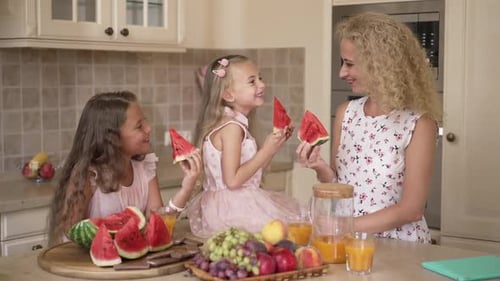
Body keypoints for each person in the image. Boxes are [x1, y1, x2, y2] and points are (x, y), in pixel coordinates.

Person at [296, 12, 442, 243]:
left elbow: (412, 209)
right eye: (342, 62)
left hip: (399, 246)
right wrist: (320, 167)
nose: (341, 72)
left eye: (349, 64)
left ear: (380, 65)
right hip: (348, 241)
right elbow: (339, 186)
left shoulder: (419, 124)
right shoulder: (346, 113)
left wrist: (342, 225)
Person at [47, 91, 203, 246]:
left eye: (146, 122)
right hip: (92, 266)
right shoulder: (89, 175)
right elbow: (68, 237)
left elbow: (158, 225)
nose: (149, 128)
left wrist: (186, 187)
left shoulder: (145, 168)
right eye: (139, 126)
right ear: (112, 138)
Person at [187, 55, 301, 238]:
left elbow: (253, 171)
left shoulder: (230, 123)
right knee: (295, 225)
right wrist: (266, 150)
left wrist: (273, 147)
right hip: (231, 210)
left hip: (222, 207)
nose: (261, 85)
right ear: (228, 94)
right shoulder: (232, 128)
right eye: (252, 81)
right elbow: (233, 181)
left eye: (260, 78)